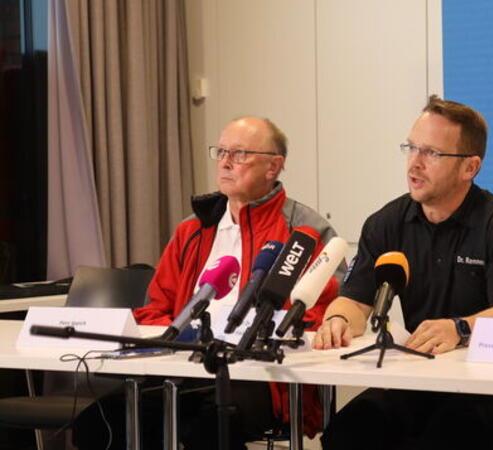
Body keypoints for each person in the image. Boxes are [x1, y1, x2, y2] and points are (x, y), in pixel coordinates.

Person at [76, 117, 341, 449]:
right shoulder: (192, 230)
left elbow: (324, 313)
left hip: (263, 376)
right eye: (221, 151)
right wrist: (179, 337)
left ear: (274, 167)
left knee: (210, 424)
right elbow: (156, 308)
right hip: (186, 363)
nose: (226, 162)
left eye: (240, 153)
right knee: (99, 423)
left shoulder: (304, 230)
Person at [314, 96, 493, 450]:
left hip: (492, 383)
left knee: (445, 435)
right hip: (421, 375)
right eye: (411, 148)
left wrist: (459, 327)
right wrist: (338, 320)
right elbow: (355, 299)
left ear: (470, 167)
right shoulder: (385, 223)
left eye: (432, 154)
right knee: (348, 433)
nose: (415, 163)